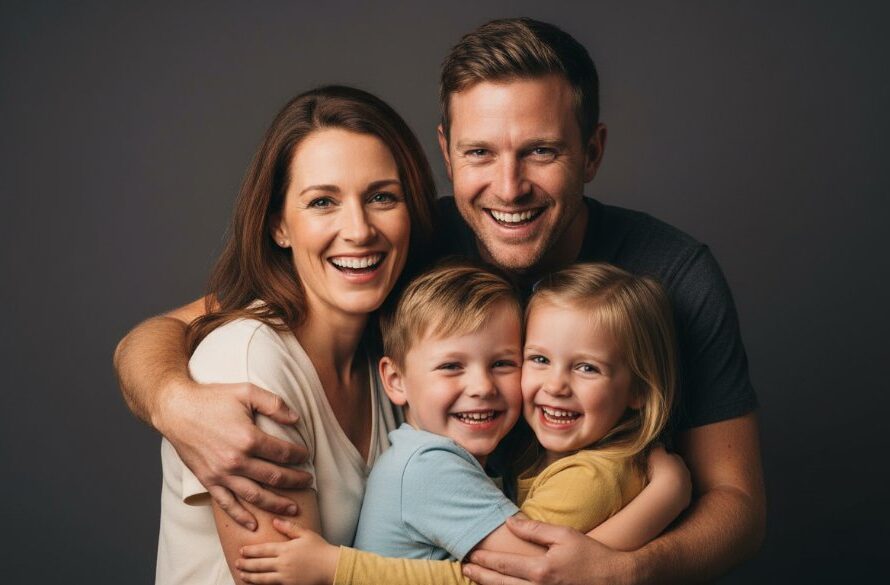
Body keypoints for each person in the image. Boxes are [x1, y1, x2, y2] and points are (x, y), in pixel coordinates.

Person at [115, 17, 765, 584]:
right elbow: (170, 331)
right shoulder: (403, 243)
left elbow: (737, 502)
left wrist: (629, 571)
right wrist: (176, 402)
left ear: (591, 152)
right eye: (480, 152)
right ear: (448, 154)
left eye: (541, 151)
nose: (509, 188)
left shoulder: (673, 272)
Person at [231, 261, 691, 585]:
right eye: (452, 367)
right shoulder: (432, 467)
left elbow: (548, 573)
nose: (482, 387)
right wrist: (669, 494)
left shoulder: (446, 458)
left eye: (504, 363)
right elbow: (545, 570)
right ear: (395, 380)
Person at [154, 84, 438, 584]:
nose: (359, 229)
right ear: (278, 226)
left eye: (382, 197)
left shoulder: (392, 357)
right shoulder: (247, 363)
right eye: (323, 202)